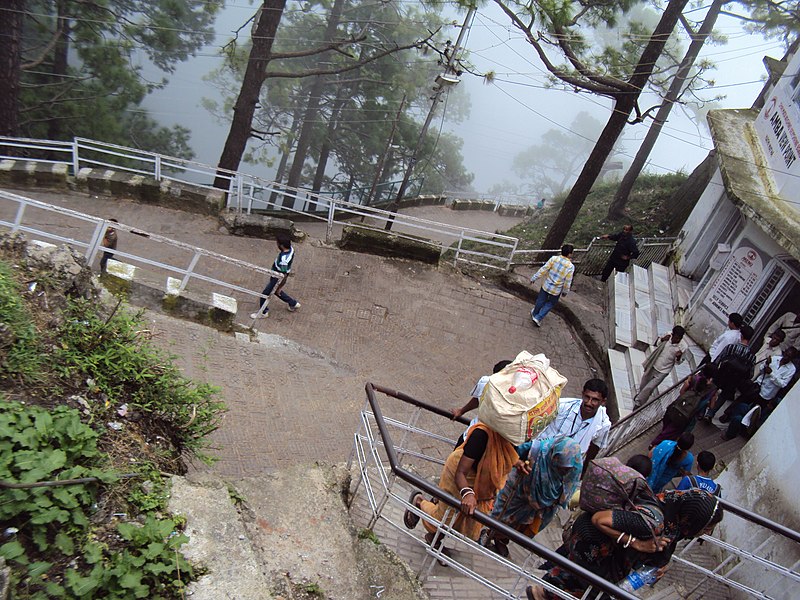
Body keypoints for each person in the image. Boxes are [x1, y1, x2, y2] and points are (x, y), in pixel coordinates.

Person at [526, 489, 723, 600]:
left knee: (576, 583)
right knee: (588, 590)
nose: (707, 533)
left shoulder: (672, 519)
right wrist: (637, 543)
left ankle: (540, 592)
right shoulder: (654, 519)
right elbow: (599, 520)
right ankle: (541, 592)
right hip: (594, 554)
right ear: (694, 518)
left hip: (602, 559)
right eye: (707, 527)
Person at [403, 422, 518, 546]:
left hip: (481, 482)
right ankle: (420, 502)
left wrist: (518, 463)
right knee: (444, 517)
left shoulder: (513, 440)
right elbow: (460, 472)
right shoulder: (481, 435)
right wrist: (467, 493)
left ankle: (434, 539)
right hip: (460, 473)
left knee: (466, 520)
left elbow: (504, 456)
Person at [479, 438, 583, 557]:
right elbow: (511, 454)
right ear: (554, 455)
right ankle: (488, 533)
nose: (563, 471)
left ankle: (502, 539)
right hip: (518, 491)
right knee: (502, 516)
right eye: (560, 466)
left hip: (541, 504)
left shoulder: (574, 468)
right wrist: (519, 463)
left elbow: (568, 487)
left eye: (566, 469)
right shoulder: (536, 450)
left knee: (519, 524)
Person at [517, 379, 612, 468]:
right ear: (582, 394)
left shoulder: (603, 425)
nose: (589, 403)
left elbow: (593, 451)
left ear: (603, 401)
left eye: (595, 400)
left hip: (564, 467)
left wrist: (582, 475)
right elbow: (535, 424)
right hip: (538, 453)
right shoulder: (562, 405)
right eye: (587, 397)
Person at [450, 359, 513, 448]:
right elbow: (478, 398)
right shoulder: (486, 382)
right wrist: (461, 411)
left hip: (496, 445)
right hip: (474, 437)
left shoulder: (517, 395)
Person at [649, 365, 715, 447]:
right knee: (674, 431)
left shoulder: (693, 379)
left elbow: (682, 392)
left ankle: (659, 441)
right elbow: (711, 406)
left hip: (676, 407)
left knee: (668, 427)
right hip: (688, 415)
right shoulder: (711, 390)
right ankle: (657, 444)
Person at [702, 325, 756, 422]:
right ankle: (710, 414)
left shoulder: (731, 348)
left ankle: (701, 411)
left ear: (741, 335)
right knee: (723, 397)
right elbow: (750, 374)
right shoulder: (751, 356)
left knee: (711, 391)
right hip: (734, 381)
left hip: (721, 375)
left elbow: (718, 360)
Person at [633, 326, 688, 408]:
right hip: (654, 363)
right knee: (644, 382)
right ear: (672, 334)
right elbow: (658, 344)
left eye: (679, 339)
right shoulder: (668, 335)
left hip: (664, 371)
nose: (676, 340)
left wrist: (678, 357)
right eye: (675, 338)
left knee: (650, 387)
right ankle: (641, 395)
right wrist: (662, 340)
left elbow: (678, 363)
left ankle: (638, 403)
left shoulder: (683, 347)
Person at [250, 234, 300, 319]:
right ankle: (293, 303)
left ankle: (263, 312)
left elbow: (283, 275)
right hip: (276, 275)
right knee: (276, 292)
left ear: (281, 245)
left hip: (277, 278)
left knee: (265, 294)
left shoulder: (284, 260)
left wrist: (280, 286)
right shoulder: (291, 249)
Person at [529, 244, 574, 327]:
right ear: (570, 254)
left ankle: (535, 313)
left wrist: (534, 278)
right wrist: (565, 291)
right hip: (556, 290)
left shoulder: (554, 259)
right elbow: (568, 281)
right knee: (550, 303)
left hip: (546, 285)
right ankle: (538, 317)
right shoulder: (570, 267)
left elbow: (544, 269)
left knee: (540, 300)